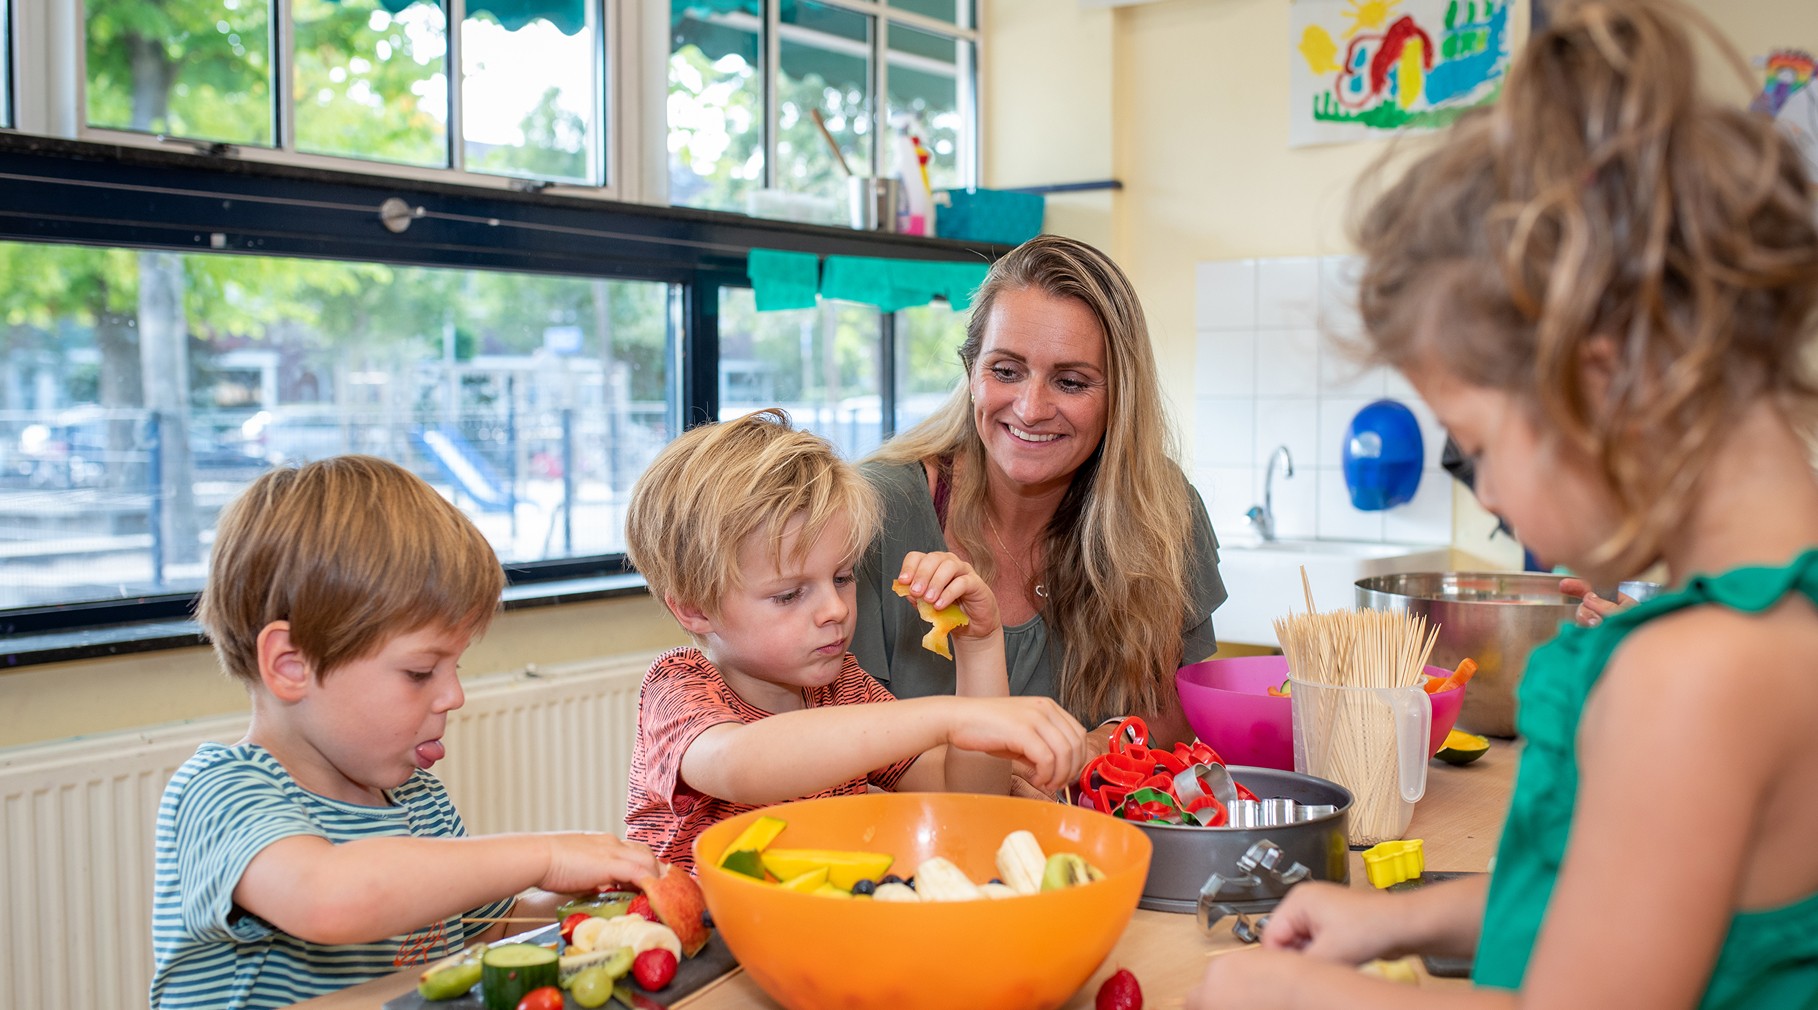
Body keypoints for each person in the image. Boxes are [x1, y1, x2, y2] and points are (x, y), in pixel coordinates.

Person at [1192, 1, 1818, 1006]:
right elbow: (1627, 904)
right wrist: (1403, 916)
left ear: (1597, 380)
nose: (1484, 491)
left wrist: (1283, 994)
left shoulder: (1691, 676)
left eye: (1477, 446)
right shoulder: (1776, 616)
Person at [150, 456, 659, 1010]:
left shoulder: (422, 803)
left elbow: (486, 933)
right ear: (292, 665)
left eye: (455, 668)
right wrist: (547, 854)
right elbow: (329, 898)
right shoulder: (221, 792)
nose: (453, 696)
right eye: (420, 672)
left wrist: (580, 897)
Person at [621, 408, 1086, 870]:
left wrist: (979, 646)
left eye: (842, 578)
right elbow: (738, 764)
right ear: (695, 609)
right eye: (789, 594)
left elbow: (970, 799)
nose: (837, 609)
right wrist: (950, 716)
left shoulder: (844, 687)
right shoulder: (679, 685)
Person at [854, 234, 1227, 751]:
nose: (1030, 410)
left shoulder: (1165, 511)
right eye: (1006, 371)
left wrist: (1092, 753)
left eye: (1070, 382)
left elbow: (1174, 711)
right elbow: (828, 730)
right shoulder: (873, 513)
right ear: (971, 371)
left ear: (1120, 397)